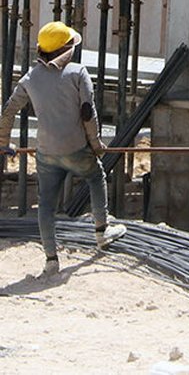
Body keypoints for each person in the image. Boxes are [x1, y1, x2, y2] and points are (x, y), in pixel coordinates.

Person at [0, 21, 126, 277]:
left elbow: (9, 110)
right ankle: (102, 231)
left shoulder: (29, 78)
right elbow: (88, 113)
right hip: (76, 149)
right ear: (66, 49)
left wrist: (2, 143)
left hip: (46, 152)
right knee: (95, 176)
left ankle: (50, 260)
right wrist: (96, 144)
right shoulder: (78, 73)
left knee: (46, 204)